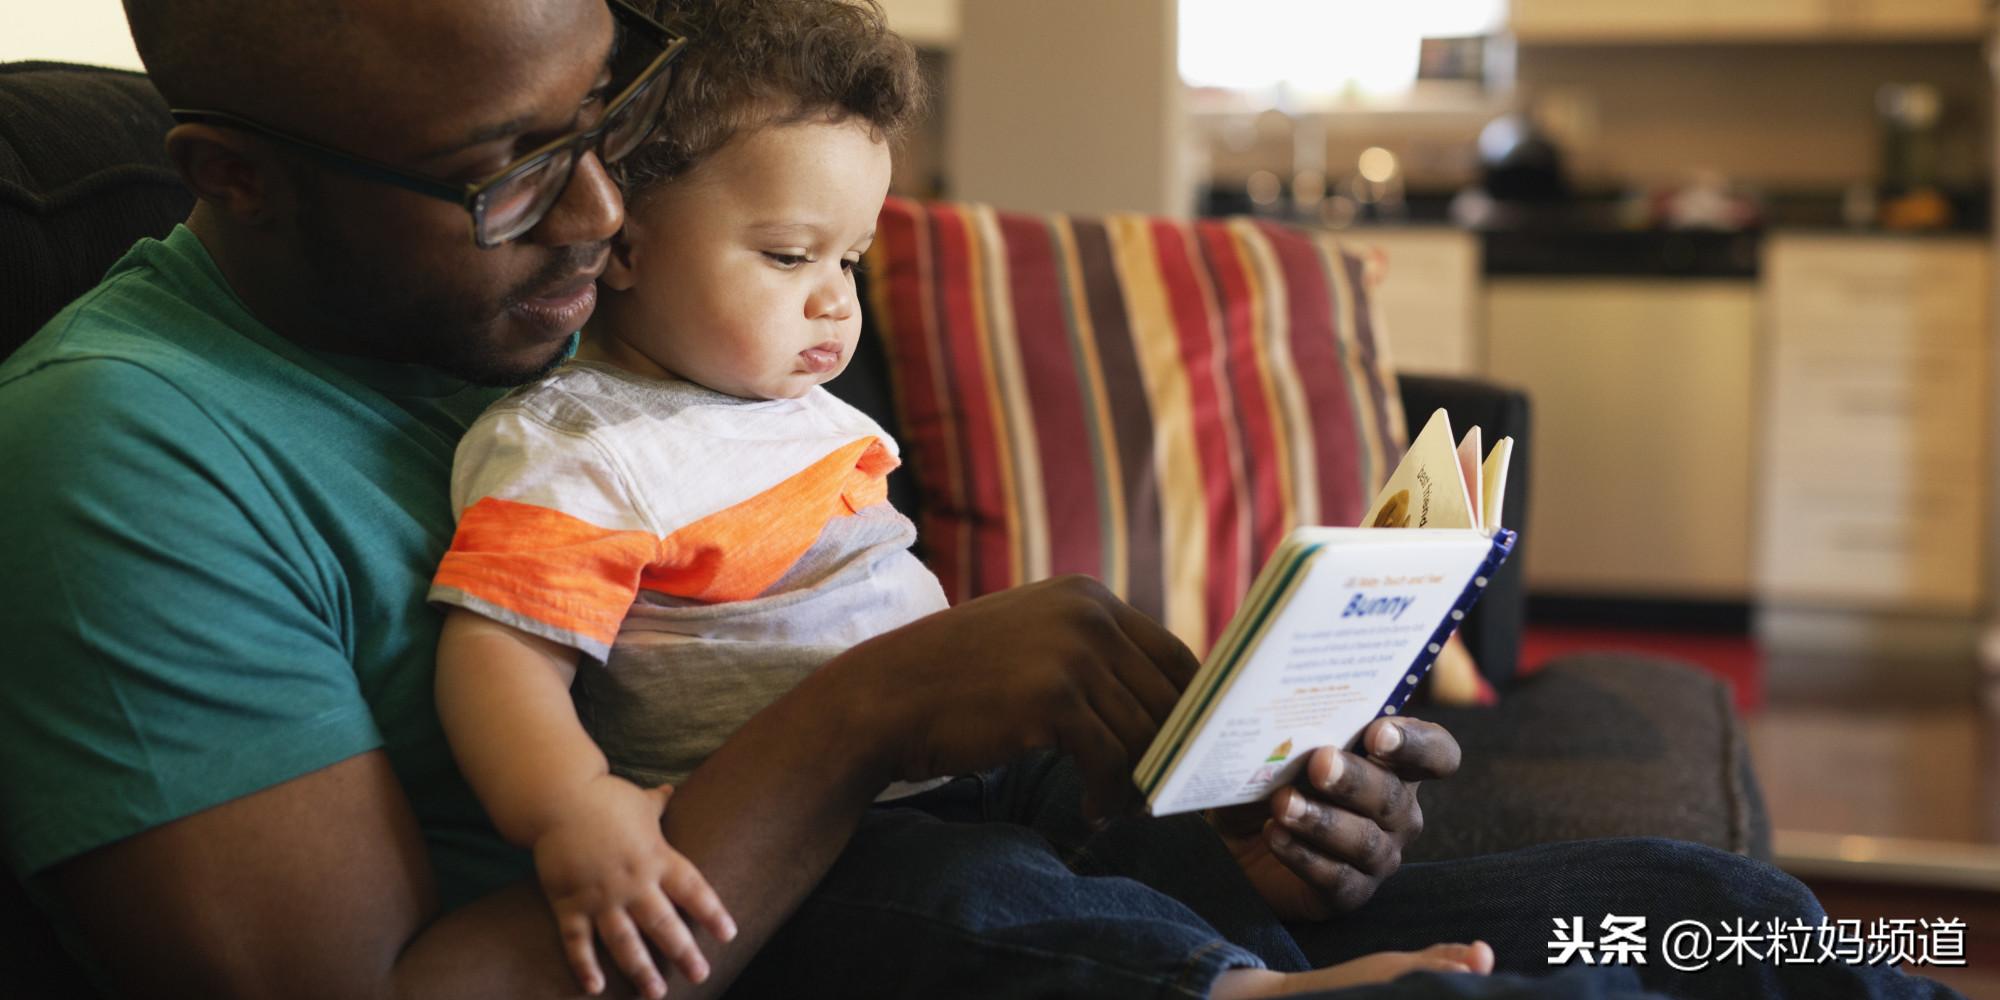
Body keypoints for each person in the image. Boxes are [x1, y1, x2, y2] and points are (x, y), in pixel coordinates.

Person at [0, 0, 1964, 997]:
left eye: (600, 136)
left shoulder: (622, 325)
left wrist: (1240, 819)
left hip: (1048, 900)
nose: (600, 221)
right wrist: (874, 715)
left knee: (1711, 916)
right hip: (856, 947)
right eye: (510, 170)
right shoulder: (130, 447)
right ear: (233, 176)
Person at [427, 3, 1495, 997]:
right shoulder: (580, 443)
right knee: (967, 896)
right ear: (621, 240)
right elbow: (500, 654)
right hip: (818, 836)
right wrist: (573, 810)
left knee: (1130, 814)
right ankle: (1227, 985)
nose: (834, 298)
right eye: (788, 254)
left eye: (849, 257)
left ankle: (1264, 938)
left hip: (956, 765)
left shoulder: (798, 408)